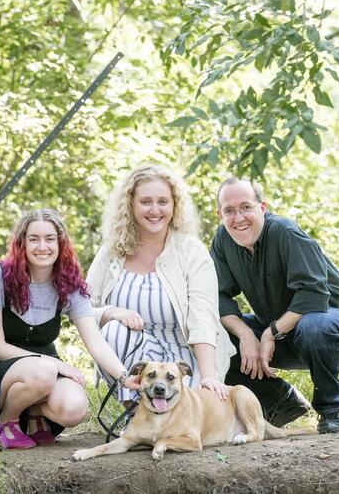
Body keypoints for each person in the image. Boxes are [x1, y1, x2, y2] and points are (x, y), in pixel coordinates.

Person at [210, 177, 339, 434]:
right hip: (287, 331)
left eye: (245, 207)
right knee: (215, 335)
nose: (238, 217)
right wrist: (245, 336)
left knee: (313, 325)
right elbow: (217, 298)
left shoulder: (284, 233)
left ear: (262, 208)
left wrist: (269, 333)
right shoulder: (223, 240)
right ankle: (281, 402)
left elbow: (313, 296)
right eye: (229, 211)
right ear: (220, 214)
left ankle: (332, 410)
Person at [0, 208, 136, 449]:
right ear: (22, 243)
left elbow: (95, 342)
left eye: (50, 239)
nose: (42, 246)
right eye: (34, 239)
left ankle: (35, 410)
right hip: (5, 370)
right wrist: (56, 364)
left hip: (44, 371)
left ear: (60, 242)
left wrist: (125, 377)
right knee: (43, 371)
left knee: (74, 409)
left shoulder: (69, 283)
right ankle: (6, 421)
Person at [87, 165, 235, 406]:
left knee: (182, 421)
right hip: (137, 367)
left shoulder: (191, 251)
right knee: (112, 329)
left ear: (174, 205)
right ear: (131, 205)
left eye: (163, 201)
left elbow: (203, 318)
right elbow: (82, 310)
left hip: (182, 361)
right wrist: (112, 312)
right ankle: (134, 413)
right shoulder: (111, 252)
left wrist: (208, 376)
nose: (155, 210)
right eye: (145, 201)